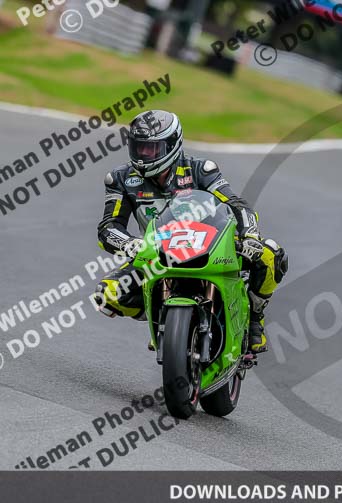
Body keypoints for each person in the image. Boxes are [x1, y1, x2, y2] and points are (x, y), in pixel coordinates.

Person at [93, 110, 288, 355]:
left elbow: (236, 204)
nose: (143, 156)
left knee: (271, 253)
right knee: (107, 295)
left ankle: (255, 316)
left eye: (152, 149)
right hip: (158, 255)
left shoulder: (200, 170)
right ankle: (161, 319)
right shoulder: (120, 179)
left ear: (172, 145)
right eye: (139, 147)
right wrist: (129, 244)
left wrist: (249, 235)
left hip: (209, 245)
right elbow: (108, 227)